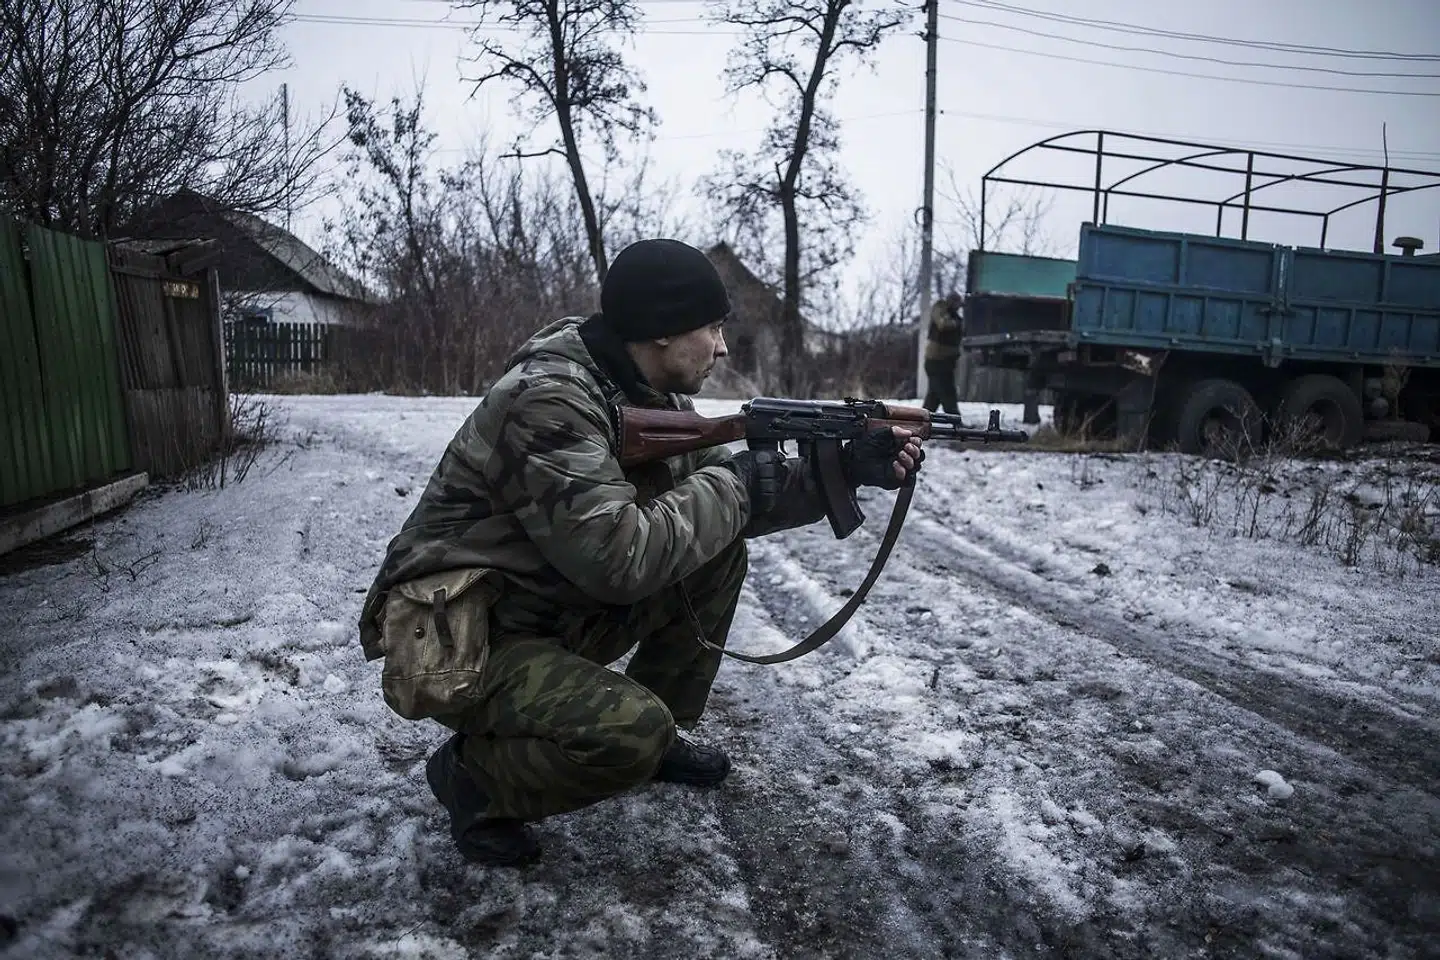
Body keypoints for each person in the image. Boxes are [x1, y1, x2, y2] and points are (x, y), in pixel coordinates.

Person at [358, 238, 924, 867]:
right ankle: (475, 779)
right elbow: (619, 557)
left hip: (543, 604)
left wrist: (840, 470)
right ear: (661, 332)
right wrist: (736, 483)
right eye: (712, 328)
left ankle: (663, 736)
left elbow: (724, 501)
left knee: (716, 550)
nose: (723, 346)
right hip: (464, 638)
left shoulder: (648, 394)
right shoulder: (550, 400)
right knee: (628, 733)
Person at [922, 291, 964, 416]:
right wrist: (957, 324)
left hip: (945, 362)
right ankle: (954, 421)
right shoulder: (940, 308)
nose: (959, 307)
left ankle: (921, 420)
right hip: (937, 361)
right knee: (947, 393)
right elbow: (943, 324)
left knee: (933, 398)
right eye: (957, 304)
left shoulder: (954, 315)